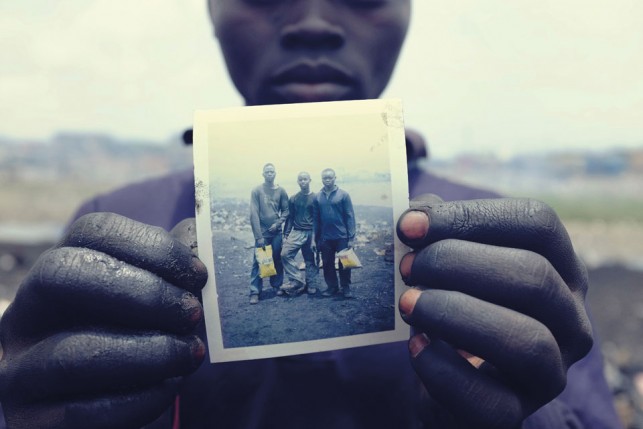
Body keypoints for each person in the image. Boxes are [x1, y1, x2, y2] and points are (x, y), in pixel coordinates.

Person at [0, 1, 622, 428]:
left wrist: (534, 409)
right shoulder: (116, 220)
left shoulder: (505, 241)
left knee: (333, 274)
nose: (314, 22)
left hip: (328, 242)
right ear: (210, 11)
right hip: (284, 240)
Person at [249, 163, 289, 304]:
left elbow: (285, 211)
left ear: (275, 173)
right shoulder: (257, 191)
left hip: (276, 232)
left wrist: (277, 224)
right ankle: (254, 291)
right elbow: (253, 214)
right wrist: (258, 236)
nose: (270, 174)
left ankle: (277, 285)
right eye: (267, 172)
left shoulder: (281, 191)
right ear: (263, 174)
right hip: (263, 233)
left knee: (277, 258)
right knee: (258, 260)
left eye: (272, 171)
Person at [314, 168, 356, 298]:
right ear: (321, 179)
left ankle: (346, 287)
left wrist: (351, 237)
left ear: (335, 178)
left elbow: (350, 216)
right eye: (325, 178)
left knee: (344, 262)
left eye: (330, 177)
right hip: (325, 237)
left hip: (342, 236)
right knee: (327, 263)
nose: (327, 180)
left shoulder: (343, 195)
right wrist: (314, 240)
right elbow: (316, 220)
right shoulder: (317, 197)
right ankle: (332, 287)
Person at [280, 171, 318, 295]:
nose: (303, 182)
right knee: (285, 254)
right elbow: (290, 218)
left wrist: (314, 239)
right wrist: (286, 235)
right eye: (300, 180)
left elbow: (318, 220)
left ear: (310, 180)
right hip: (297, 232)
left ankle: (311, 284)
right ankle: (297, 280)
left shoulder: (316, 198)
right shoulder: (294, 198)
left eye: (305, 179)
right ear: (297, 182)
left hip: (311, 233)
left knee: (310, 259)